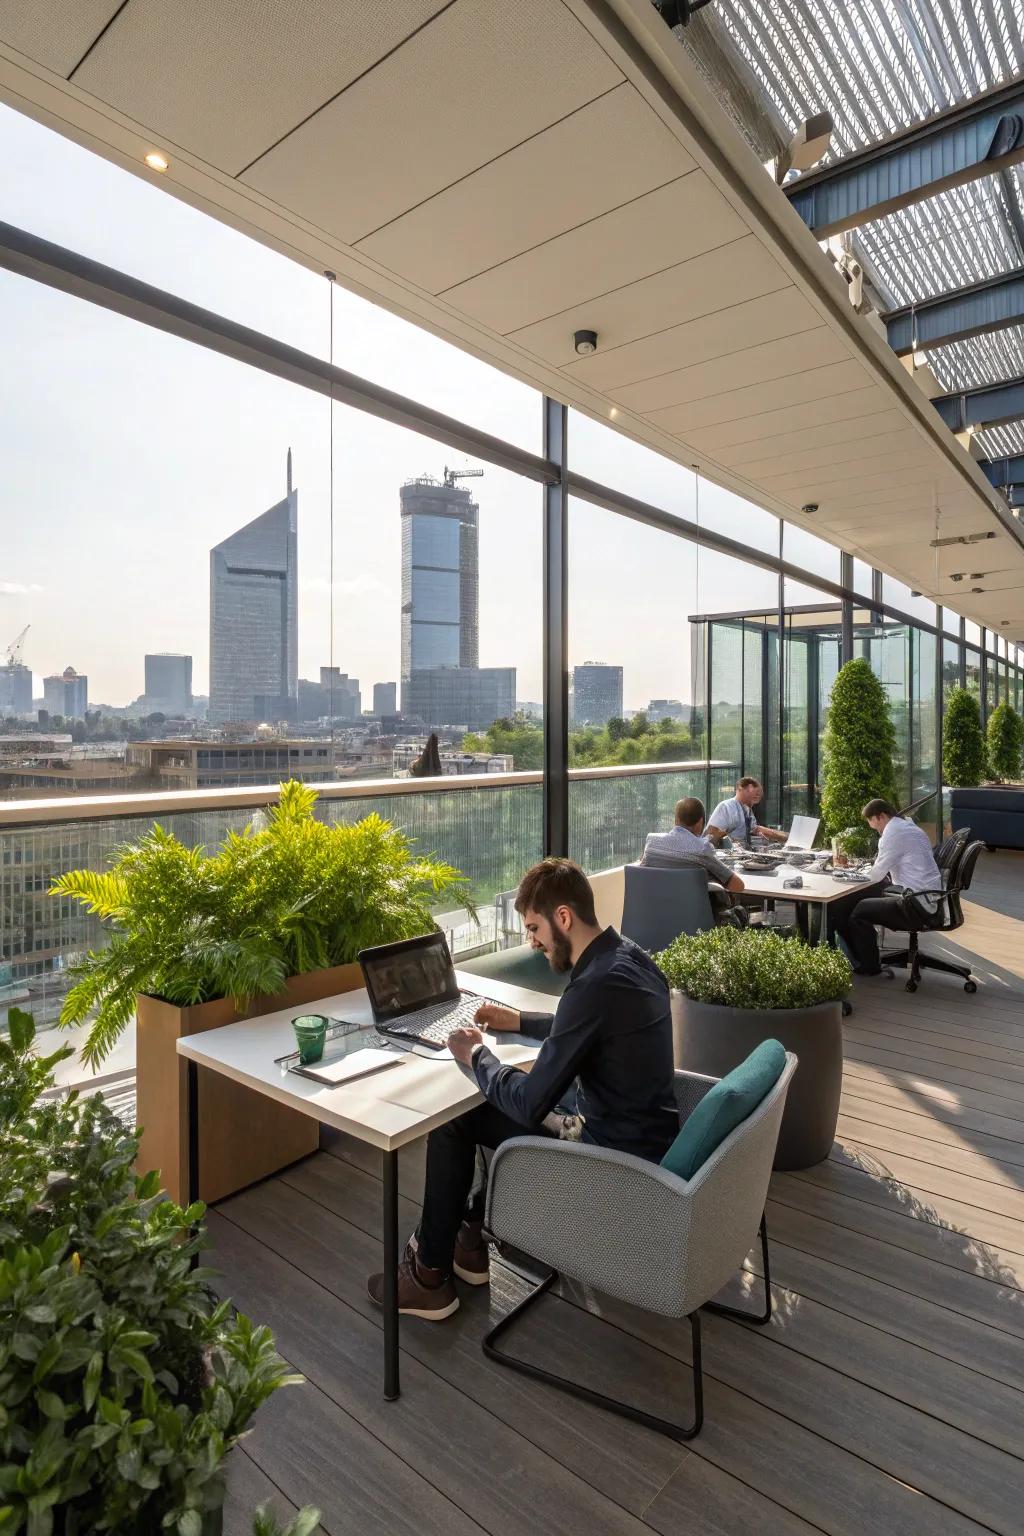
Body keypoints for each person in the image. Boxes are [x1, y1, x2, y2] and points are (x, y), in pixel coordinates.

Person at [366, 857, 677, 1322]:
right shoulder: (629, 958)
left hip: (609, 1164)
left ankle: (429, 1276)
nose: (532, 942)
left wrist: (477, 1055)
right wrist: (519, 1021)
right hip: (640, 1136)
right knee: (484, 1105)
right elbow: (589, 1027)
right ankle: (467, 1242)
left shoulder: (593, 987)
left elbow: (531, 1104)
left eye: (534, 928)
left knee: (457, 1120)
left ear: (563, 917)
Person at [834, 799, 942, 976]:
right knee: (860, 899)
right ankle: (863, 959)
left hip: (914, 902)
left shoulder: (893, 832)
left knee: (857, 910)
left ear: (882, 816)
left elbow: (875, 875)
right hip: (929, 898)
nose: (879, 832)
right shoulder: (909, 827)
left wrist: (851, 875)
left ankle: (868, 966)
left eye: (877, 827)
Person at [640, 796, 747, 924]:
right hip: (693, 923)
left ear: (676, 819)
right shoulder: (702, 849)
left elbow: (643, 871)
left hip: (654, 919)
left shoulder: (651, 843)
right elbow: (738, 886)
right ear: (700, 822)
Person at [706, 777, 788, 847]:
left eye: (759, 792)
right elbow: (711, 835)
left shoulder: (747, 809)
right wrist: (730, 842)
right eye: (752, 790)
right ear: (740, 789)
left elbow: (755, 829)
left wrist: (784, 836)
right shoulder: (726, 807)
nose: (757, 795)